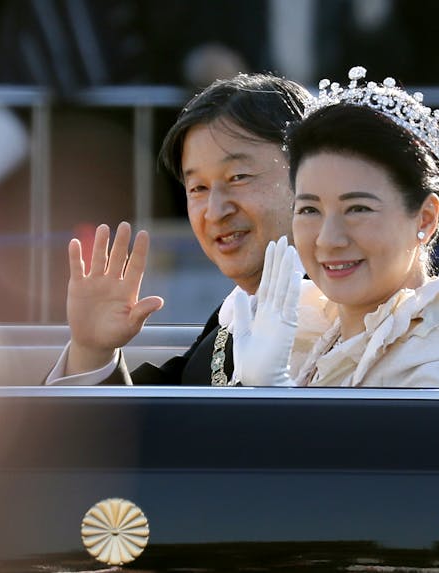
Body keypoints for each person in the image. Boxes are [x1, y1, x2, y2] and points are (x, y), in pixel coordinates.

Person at [233, 67, 439, 388]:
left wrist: (272, 400)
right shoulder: (314, 324)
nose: (328, 239)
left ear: (425, 218)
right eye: (309, 209)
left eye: (358, 209)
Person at [46, 72, 323, 386]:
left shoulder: (348, 315)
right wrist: (92, 351)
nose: (215, 211)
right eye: (198, 188)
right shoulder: (232, 316)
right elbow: (149, 424)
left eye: (238, 177)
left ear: (310, 174)